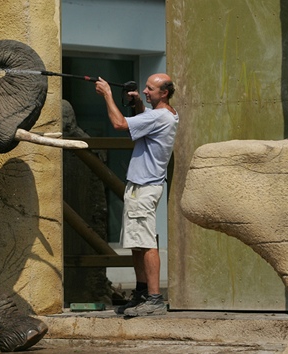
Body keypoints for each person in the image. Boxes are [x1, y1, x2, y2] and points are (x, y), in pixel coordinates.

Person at [94, 73, 178, 317]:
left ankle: (154, 299)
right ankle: (142, 293)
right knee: (137, 243)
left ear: (164, 93)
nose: (144, 91)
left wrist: (108, 95)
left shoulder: (160, 116)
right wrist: (138, 106)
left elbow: (120, 125)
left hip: (145, 188)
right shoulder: (164, 114)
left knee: (147, 243)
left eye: (150, 89)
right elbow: (144, 123)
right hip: (139, 187)